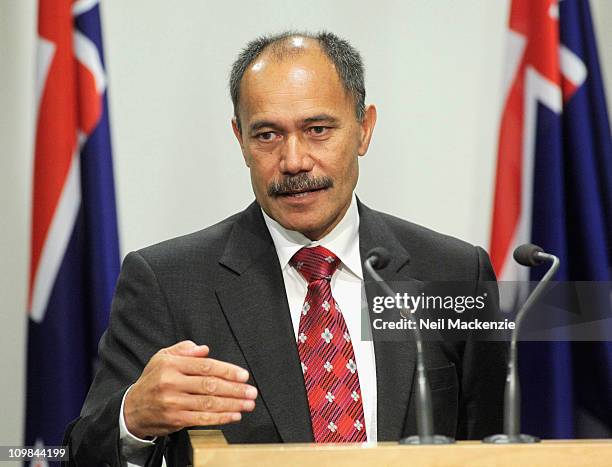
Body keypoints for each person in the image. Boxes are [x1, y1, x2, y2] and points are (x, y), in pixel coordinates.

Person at [64, 31, 505, 466]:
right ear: (240, 139)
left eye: (317, 130)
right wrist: (133, 419)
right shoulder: (168, 281)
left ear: (364, 130)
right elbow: (81, 452)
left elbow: (497, 446)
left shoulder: (453, 270)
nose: (293, 161)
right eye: (268, 135)